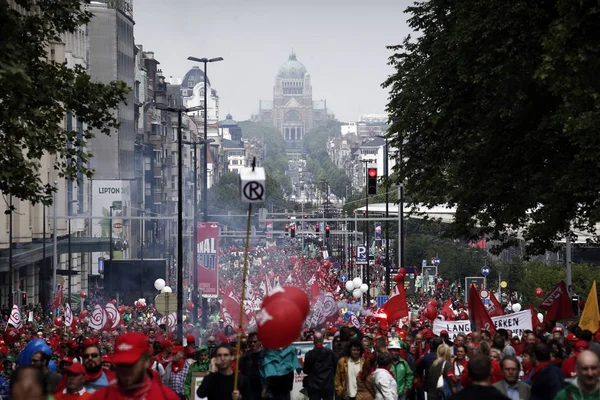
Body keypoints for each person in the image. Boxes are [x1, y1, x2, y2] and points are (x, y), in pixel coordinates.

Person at [90, 332, 179, 400]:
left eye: (131, 363)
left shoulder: (166, 397)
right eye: (121, 364)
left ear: (146, 361)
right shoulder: (101, 397)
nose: (125, 369)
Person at [303, 332, 336, 400]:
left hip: (314, 386)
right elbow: (336, 367)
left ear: (313, 341)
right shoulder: (330, 353)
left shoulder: (309, 355)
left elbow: (306, 370)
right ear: (323, 340)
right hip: (328, 385)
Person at [239, 332, 264, 400]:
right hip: (249, 389)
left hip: (262, 388)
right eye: (250, 342)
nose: (252, 344)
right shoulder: (245, 356)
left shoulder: (266, 355)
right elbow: (242, 372)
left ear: (260, 341)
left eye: (255, 341)